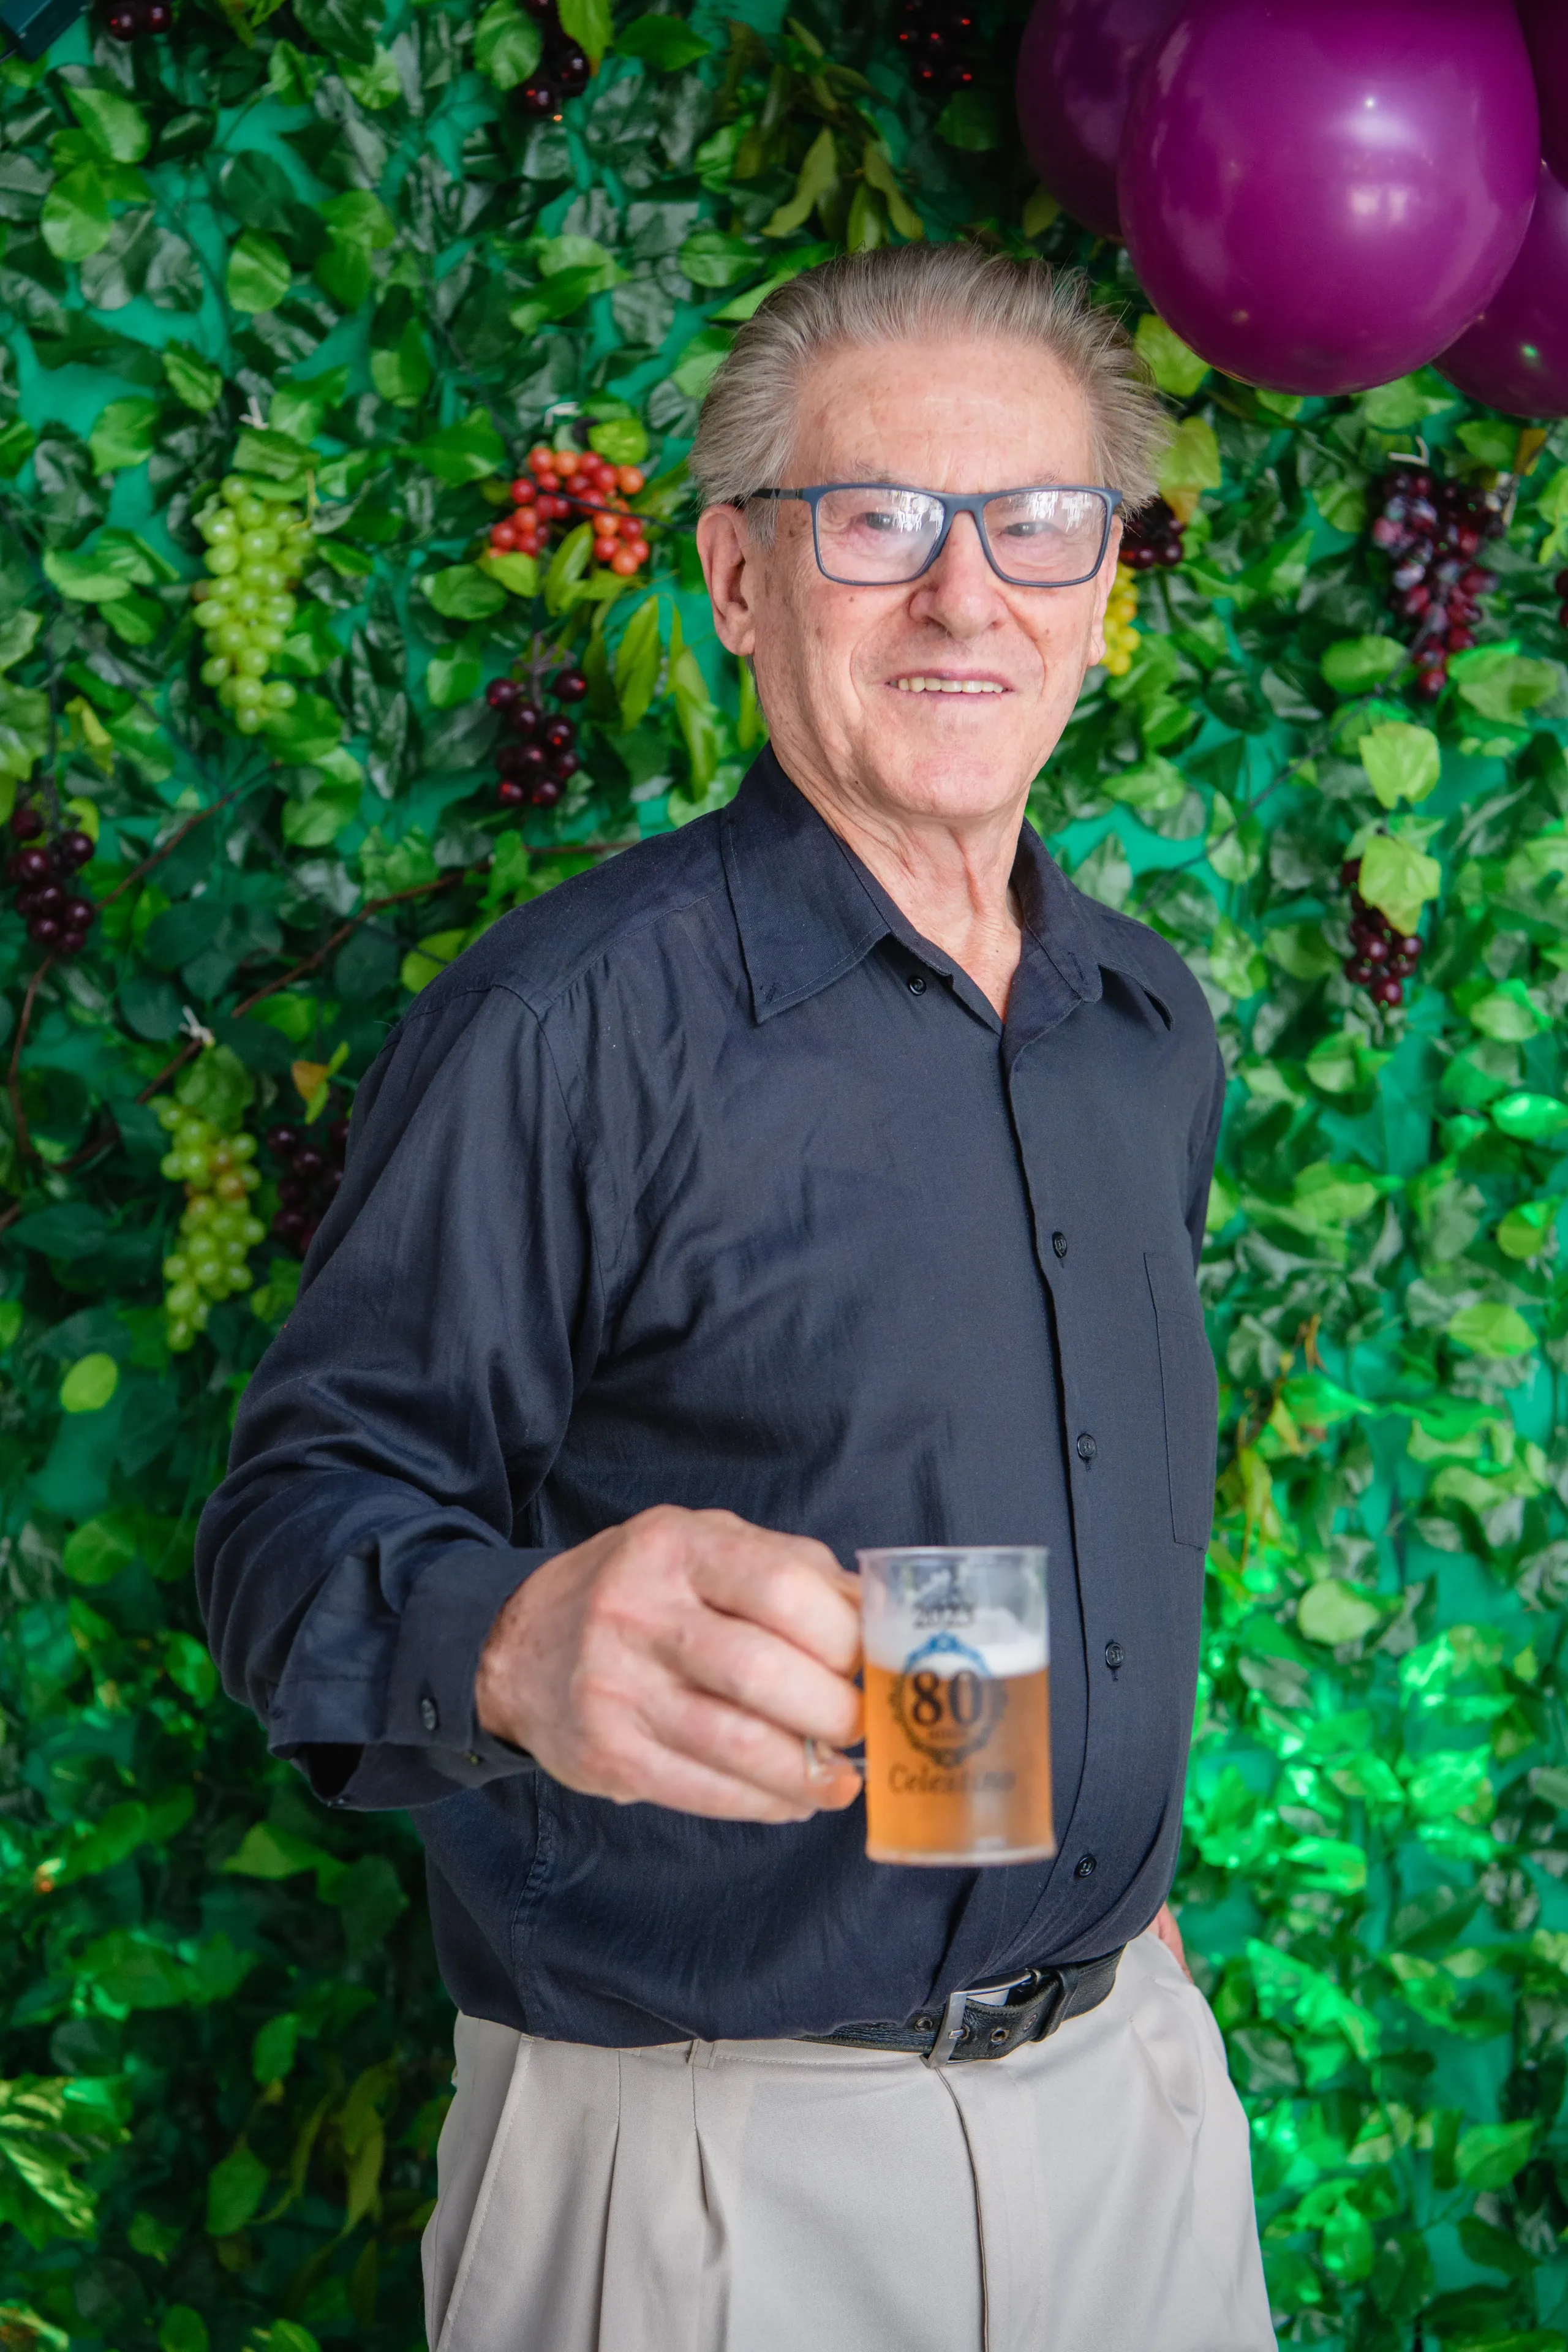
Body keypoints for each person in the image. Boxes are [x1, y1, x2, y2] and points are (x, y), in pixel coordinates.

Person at [198, 243, 1274, 2352]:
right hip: (710, 2174)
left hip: (1135, 2102)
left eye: (1040, 523)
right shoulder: (563, 1023)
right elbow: (290, 1529)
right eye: (877, 522)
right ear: (740, 579)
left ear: (1103, 588)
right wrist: (507, 1642)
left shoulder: (1147, 1024)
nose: (968, 597)